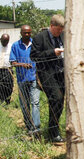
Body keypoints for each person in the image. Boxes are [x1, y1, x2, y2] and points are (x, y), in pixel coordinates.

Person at [31, 15, 66, 143]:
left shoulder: (63, 36)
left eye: (62, 30)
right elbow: (34, 56)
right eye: (58, 30)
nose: (60, 32)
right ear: (51, 26)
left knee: (60, 102)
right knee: (55, 98)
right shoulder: (39, 38)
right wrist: (52, 52)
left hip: (62, 73)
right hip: (47, 73)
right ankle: (53, 132)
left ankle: (54, 128)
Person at [10, 25, 42, 138]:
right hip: (22, 79)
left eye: (29, 33)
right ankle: (29, 126)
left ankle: (37, 128)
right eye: (25, 33)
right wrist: (22, 65)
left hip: (34, 78)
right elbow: (12, 62)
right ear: (21, 33)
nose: (27, 35)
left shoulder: (35, 44)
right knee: (25, 105)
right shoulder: (15, 46)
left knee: (35, 103)